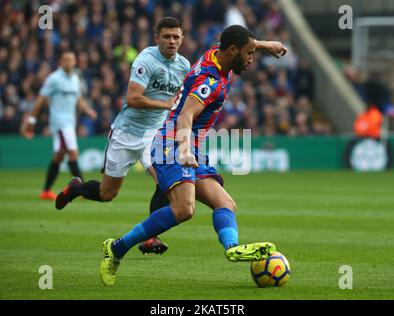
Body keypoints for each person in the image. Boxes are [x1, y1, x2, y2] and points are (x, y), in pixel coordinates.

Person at [98, 25, 288, 286]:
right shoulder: (210, 82)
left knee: (226, 203)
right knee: (184, 209)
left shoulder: (216, 54)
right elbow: (186, 115)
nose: (252, 59)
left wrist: (268, 44)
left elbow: (241, 39)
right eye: (249, 53)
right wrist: (185, 149)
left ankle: (232, 247)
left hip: (190, 144)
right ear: (233, 51)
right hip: (173, 141)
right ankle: (117, 248)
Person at [55, 17, 190, 255]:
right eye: (167, 36)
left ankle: (151, 237)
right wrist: (166, 104)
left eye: (176, 37)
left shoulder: (183, 66)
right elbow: (133, 98)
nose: (171, 41)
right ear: (156, 37)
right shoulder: (145, 60)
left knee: (164, 181)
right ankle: (76, 189)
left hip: (155, 134)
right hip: (126, 132)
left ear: (182, 39)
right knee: (107, 194)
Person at [21, 51, 97, 200]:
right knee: (73, 153)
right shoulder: (54, 79)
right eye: (66, 60)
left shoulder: (75, 78)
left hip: (70, 122)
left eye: (71, 60)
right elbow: (41, 99)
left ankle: (46, 191)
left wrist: (88, 110)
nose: (69, 63)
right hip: (60, 123)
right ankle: (83, 191)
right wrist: (31, 121)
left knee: (59, 156)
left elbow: (78, 99)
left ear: (75, 62)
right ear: (61, 62)